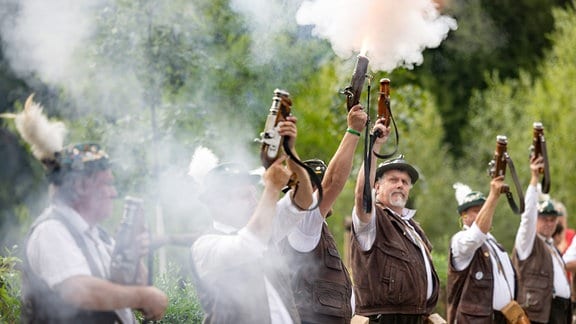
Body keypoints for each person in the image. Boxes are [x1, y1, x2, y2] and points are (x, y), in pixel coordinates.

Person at [12, 96, 168, 323]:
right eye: (106, 183)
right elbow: (79, 291)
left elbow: (129, 289)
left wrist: (133, 255)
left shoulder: (98, 235)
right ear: (80, 186)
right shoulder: (51, 231)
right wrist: (143, 296)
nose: (113, 193)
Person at [190, 115, 314, 323]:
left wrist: (291, 153)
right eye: (244, 196)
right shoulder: (205, 246)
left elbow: (302, 201)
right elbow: (247, 244)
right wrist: (272, 188)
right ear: (217, 203)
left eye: (253, 193)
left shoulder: (264, 228)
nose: (254, 200)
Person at [278, 104, 367, 323]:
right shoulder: (302, 221)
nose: (319, 193)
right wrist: (353, 131)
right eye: (313, 186)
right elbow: (334, 182)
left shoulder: (315, 228)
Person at [349, 119, 440, 323]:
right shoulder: (373, 220)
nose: (400, 185)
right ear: (377, 187)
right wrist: (375, 146)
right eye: (393, 180)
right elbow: (362, 196)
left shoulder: (413, 227)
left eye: (405, 182)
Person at [447, 179, 523, 323]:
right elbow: (476, 236)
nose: (484, 213)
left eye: (485, 208)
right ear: (464, 215)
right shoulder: (460, 239)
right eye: (477, 210)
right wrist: (493, 196)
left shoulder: (495, 244)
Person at [512, 155, 572, 324]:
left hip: (558, 314)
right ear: (537, 219)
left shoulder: (551, 246)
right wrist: (534, 179)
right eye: (544, 218)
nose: (549, 223)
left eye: (553, 219)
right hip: (538, 315)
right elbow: (528, 216)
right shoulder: (528, 242)